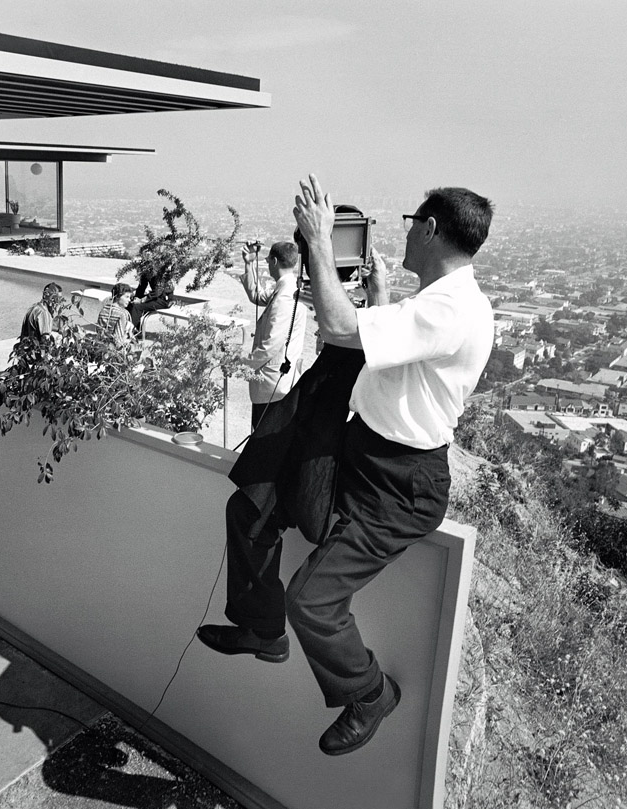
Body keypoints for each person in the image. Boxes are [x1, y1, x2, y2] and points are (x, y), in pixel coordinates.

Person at [197, 178, 494, 757]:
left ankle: (369, 693)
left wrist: (318, 241)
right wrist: (378, 297)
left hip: (400, 485)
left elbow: (337, 328)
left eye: (412, 222)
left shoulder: (453, 309)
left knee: (312, 601)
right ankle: (261, 629)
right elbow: (389, 358)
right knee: (251, 508)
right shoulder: (436, 301)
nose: (405, 232)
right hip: (361, 456)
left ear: (431, 228)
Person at [239, 241, 307, 429]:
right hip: (277, 383)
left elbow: (271, 345)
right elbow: (257, 295)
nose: (268, 264)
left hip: (273, 385)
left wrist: (244, 365)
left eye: (268, 260)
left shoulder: (285, 297)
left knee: (265, 437)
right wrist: (249, 264)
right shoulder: (287, 288)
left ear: (274, 261)